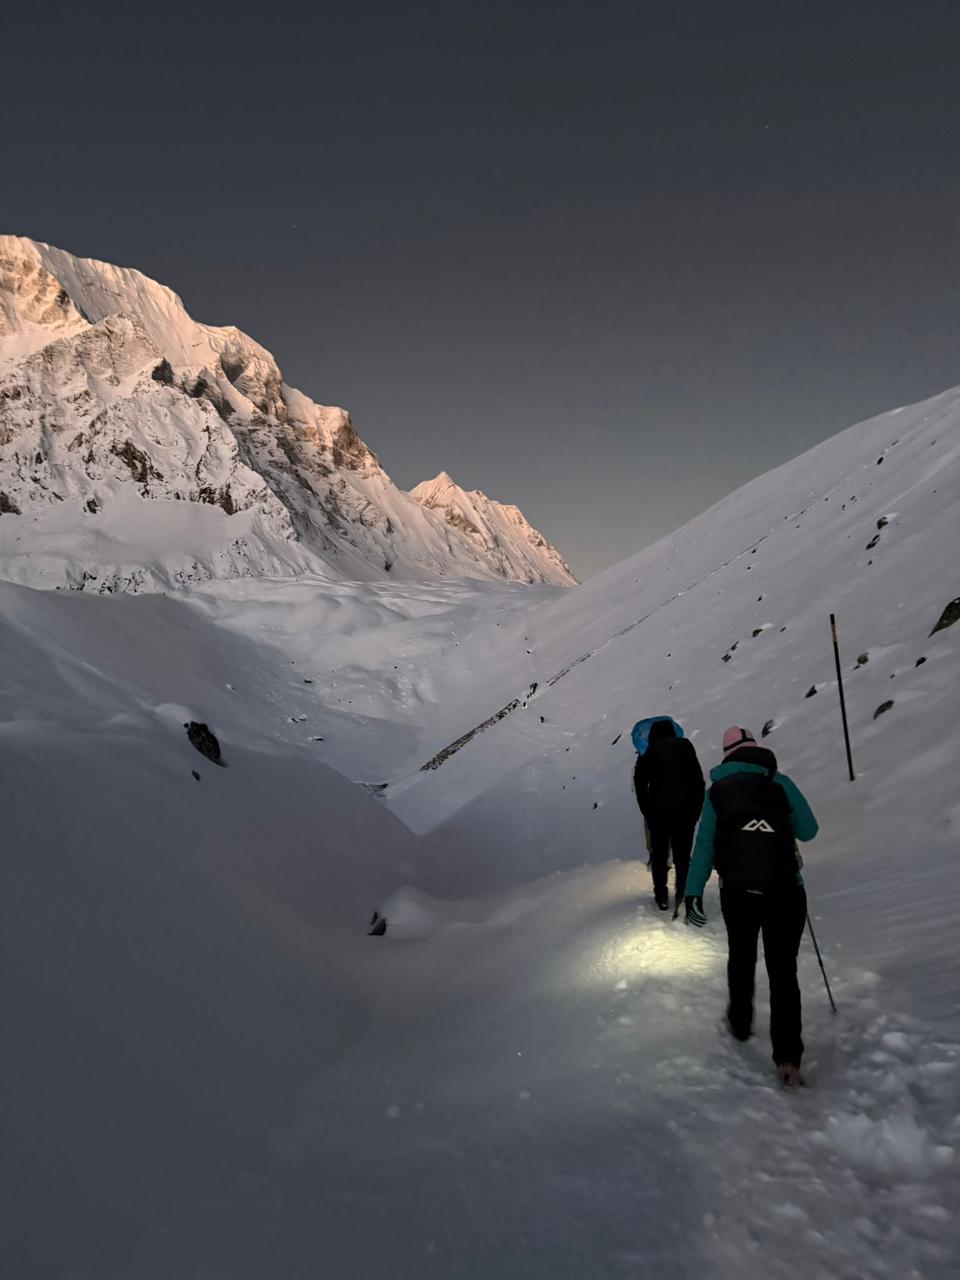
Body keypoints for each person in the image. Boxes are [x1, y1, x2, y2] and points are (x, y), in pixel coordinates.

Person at [684, 726, 818, 1087]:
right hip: (787, 892)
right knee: (783, 972)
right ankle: (788, 1058)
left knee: (741, 957)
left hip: (739, 893)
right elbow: (809, 830)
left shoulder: (718, 793)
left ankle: (740, 1024)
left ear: (727, 755)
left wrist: (692, 892)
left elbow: (705, 846)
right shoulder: (781, 782)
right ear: (757, 750)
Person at [632, 717, 705, 913]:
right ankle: (682, 893)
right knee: (683, 856)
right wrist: (694, 812)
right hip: (685, 813)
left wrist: (648, 812)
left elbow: (640, 785)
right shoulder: (687, 747)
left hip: (659, 814)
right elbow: (699, 782)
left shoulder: (648, 753)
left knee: (659, 855)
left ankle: (661, 896)